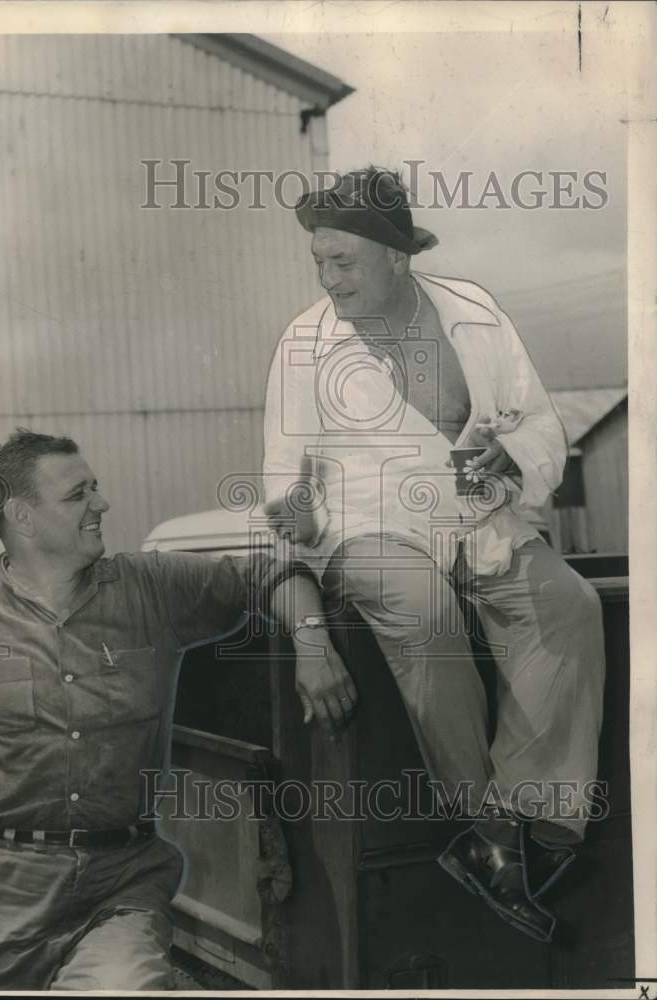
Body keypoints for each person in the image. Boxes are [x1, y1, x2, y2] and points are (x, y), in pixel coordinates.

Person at [0, 428, 356, 991]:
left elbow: (271, 571)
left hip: (118, 887)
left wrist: (314, 641)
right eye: (78, 495)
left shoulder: (150, 589)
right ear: (23, 518)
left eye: (95, 488)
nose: (101, 503)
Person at [262, 166, 605, 942]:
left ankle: (537, 829)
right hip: (367, 531)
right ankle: (484, 828)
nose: (327, 278)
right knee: (421, 611)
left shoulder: (474, 313)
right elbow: (282, 475)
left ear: (397, 256)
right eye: (318, 262)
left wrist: (509, 458)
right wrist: (292, 512)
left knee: (568, 605)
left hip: (480, 523)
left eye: (342, 261)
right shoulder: (304, 342)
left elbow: (538, 424)